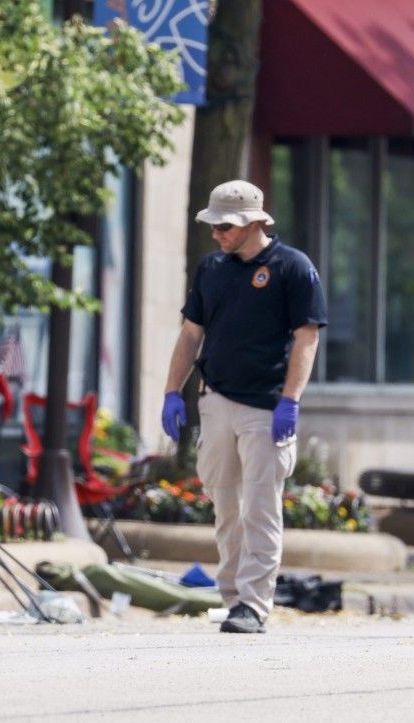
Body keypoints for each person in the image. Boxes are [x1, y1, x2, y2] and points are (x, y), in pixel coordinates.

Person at [161, 180, 327, 634]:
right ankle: (232, 596)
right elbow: (191, 333)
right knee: (224, 503)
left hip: (266, 406)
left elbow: (306, 337)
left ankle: (253, 603)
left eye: (225, 227)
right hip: (216, 399)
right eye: (213, 226)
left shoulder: (293, 267)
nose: (217, 234)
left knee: (260, 504)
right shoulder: (212, 268)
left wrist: (290, 402)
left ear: (255, 222)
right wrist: (172, 390)